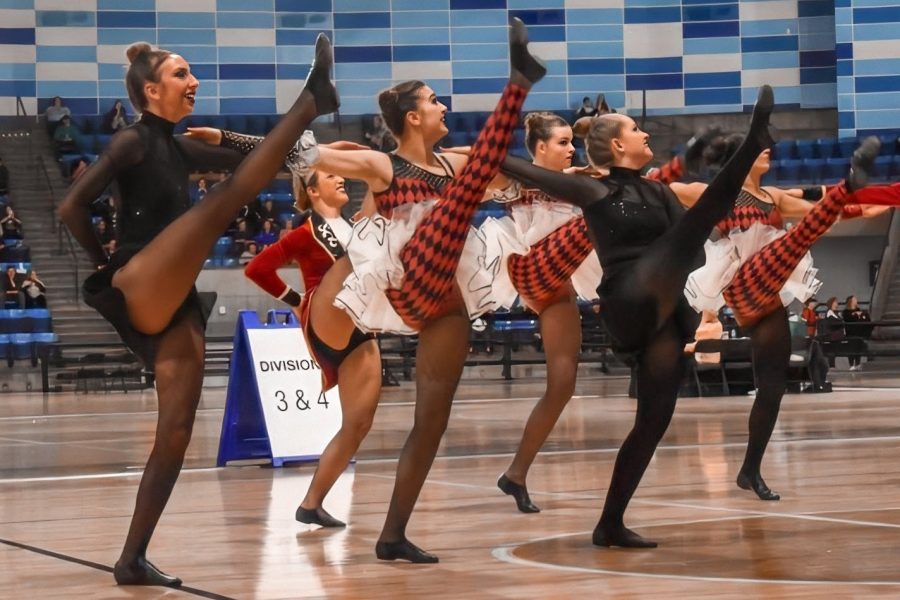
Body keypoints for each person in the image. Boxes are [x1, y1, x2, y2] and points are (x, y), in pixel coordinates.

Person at [58, 34, 338, 587]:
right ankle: (312, 98)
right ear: (150, 90)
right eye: (182, 75)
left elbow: (273, 160)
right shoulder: (132, 140)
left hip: (174, 296)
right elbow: (71, 206)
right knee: (224, 200)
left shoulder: (180, 148)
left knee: (178, 430)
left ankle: (131, 558)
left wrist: (229, 137)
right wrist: (105, 265)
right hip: (139, 278)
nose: (195, 83)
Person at [287, 18, 545, 562]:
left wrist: (547, 179)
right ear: (412, 116)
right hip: (410, 279)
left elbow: (503, 174)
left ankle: (393, 534)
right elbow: (301, 157)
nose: (443, 106)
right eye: (434, 100)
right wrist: (258, 133)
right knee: (462, 194)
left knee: (432, 420)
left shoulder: (453, 162)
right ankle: (517, 81)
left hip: (447, 296)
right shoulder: (385, 165)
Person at [497, 85, 776, 547]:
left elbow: (685, 246)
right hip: (628, 295)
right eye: (636, 129)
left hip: (663, 306)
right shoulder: (593, 187)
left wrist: (683, 260)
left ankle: (609, 524)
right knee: (699, 217)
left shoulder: (659, 191)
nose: (645, 133)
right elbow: (515, 166)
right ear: (618, 146)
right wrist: (475, 153)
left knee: (653, 420)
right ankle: (751, 142)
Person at [678, 135, 880, 500]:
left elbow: (833, 213)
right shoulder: (718, 192)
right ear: (739, 159)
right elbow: (666, 189)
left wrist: (871, 202)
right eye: (758, 149)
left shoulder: (776, 197)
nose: (768, 151)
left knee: (771, 389)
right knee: (798, 239)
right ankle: (847, 182)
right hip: (741, 281)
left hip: (768, 293)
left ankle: (749, 469)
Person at [245, 169, 381, 528]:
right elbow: (258, 268)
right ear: (312, 190)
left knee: (358, 424)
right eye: (329, 176)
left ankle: (311, 503)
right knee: (367, 241)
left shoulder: (353, 227)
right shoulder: (306, 233)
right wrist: (295, 299)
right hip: (325, 315)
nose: (340, 180)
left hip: (358, 330)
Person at [490, 112, 601, 513]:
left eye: (572, 141)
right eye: (562, 142)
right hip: (529, 269)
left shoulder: (579, 179)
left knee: (563, 384)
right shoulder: (517, 181)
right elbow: (476, 164)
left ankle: (515, 474)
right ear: (539, 147)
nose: (571, 148)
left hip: (560, 284)